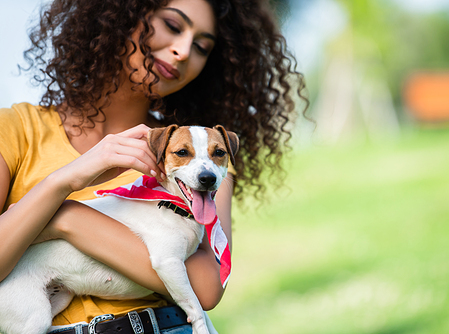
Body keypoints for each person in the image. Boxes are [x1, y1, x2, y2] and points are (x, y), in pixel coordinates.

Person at [0, 0, 307, 332]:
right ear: (120, 14)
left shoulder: (200, 160)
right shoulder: (16, 129)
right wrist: (63, 182)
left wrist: (66, 216)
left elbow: (205, 288)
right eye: (173, 26)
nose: (184, 51)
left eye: (202, 47)